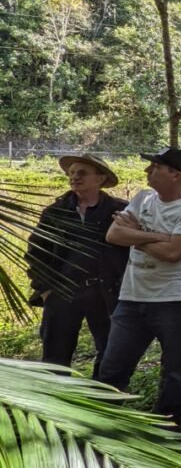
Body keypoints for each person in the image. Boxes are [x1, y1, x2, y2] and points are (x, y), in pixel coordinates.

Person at [99, 147, 181, 424]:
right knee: (112, 366)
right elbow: (113, 234)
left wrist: (135, 235)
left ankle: (168, 425)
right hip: (132, 296)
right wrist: (160, 236)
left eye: (155, 167)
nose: (148, 171)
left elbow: (174, 254)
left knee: (174, 369)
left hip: (174, 299)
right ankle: (106, 421)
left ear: (176, 175)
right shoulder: (143, 197)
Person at [25, 153, 129, 378]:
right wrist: (45, 289)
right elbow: (36, 251)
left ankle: (101, 401)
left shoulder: (119, 211)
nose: (75, 177)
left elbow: (133, 250)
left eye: (82, 173)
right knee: (55, 356)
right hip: (63, 292)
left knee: (110, 351)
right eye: (72, 173)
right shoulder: (55, 212)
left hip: (106, 292)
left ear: (100, 179)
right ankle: (59, 404)